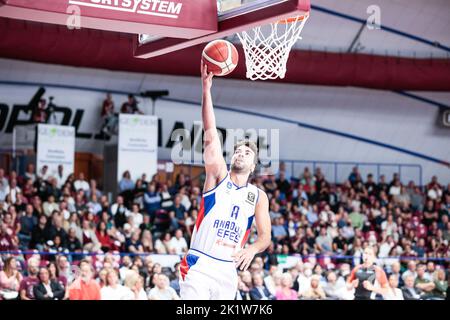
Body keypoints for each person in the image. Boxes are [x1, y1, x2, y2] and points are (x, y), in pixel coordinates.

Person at [178, 63, 271, 300]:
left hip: (227, 269)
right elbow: (210, 133)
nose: (240, 153)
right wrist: (206, 91)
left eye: (247, 153)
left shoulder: (258, 196)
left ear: (253, 166)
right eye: (238, 151)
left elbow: (265, 236)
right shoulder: (218, 175)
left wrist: (252, 248)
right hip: (200, 262)